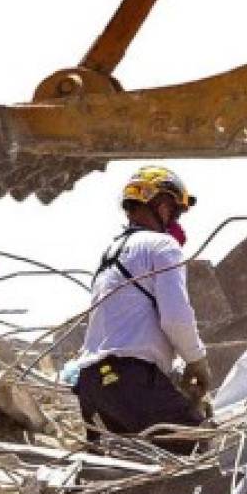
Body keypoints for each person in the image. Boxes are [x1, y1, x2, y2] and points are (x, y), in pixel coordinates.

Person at [74, 166, 212, 453]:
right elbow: (176, 317)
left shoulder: (112, 253)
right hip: (127, 378)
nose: (176, 223)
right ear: (162, 207)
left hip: (90, 384)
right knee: (197, 447)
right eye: (175, 213)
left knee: (126, 471)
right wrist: (197, 361)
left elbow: (129, 329)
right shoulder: (163, 246)